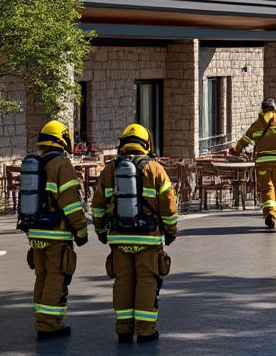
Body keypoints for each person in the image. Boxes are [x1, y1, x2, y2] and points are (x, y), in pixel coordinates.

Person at [90, 124, 178, 344]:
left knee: (123, 281)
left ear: (122, 143)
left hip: (118, 237)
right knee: (147, 281)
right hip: (147, 238)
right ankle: (146, 331)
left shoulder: (110, 170)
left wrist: (101, 231)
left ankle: (123, 330)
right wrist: (170, 231)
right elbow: (168, 204)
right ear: (146, 144)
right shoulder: (155, 169)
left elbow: (98, 205)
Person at [23, 120, 90, 340]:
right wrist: (81, 230)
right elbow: (70, 203)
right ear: (63, 140)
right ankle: (49, 325)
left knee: (41, 276)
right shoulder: (61, 165)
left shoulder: (35, 163)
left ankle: (42, 319)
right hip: (56, 232)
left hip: (35, 231)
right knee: (56, 276)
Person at [230, 99, 276, 229]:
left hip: (262, 162)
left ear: (262, 109)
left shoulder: (257, 124)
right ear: (274, 108)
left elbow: (245, 139)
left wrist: (236, 150)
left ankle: (269, 213)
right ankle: (272, 214)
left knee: (267, 188)